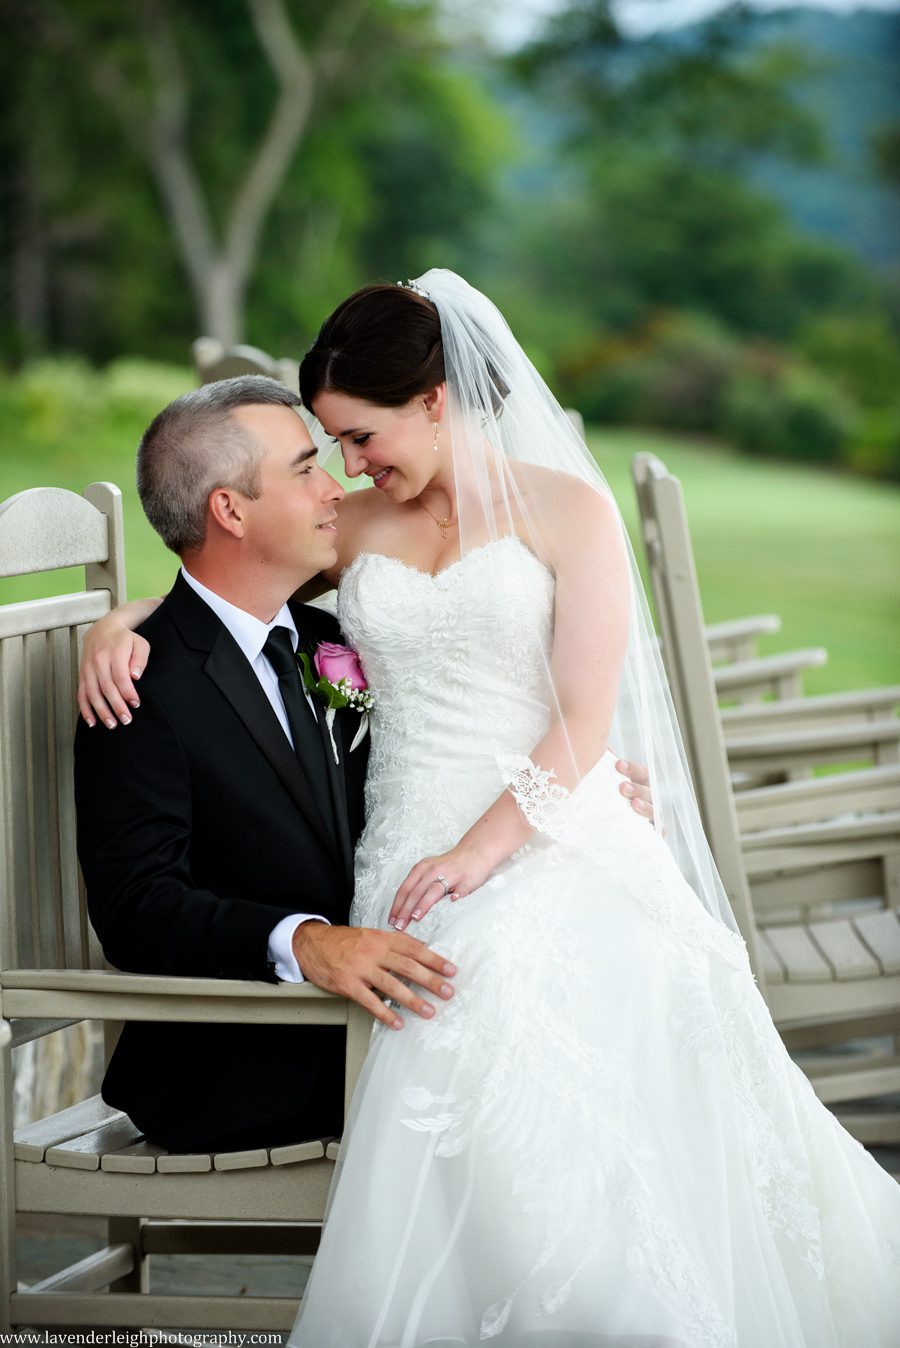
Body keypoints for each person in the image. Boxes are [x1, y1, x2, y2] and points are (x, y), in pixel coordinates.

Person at [81, 272, 900, 1345]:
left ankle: (641, 1296)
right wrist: (119, 620)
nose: (350, 467)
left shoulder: (571, 511)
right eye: (329, 448)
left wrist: (488, 847)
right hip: (410, 853)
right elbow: (229, 584)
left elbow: (580, 714)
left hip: (542, 826)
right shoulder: (358, 527)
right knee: (470, 992)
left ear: (434, 398)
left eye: (359, 436)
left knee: (621, 970)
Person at [73, 375, 462, 1153]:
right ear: (230, 509)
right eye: (304, 469)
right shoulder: (141, 685)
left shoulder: (331, 640)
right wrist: (307, 942)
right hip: (251, 1058)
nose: (337, 488)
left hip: (384, 1017)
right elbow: (137, 908)